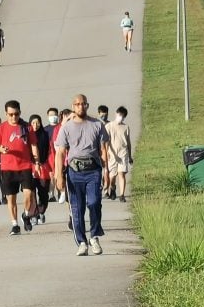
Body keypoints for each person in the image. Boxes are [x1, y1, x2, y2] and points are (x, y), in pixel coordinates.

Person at [54, 94, 110, 256]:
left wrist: (106, 173)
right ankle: (82, 242)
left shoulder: (97, 125)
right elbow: (60, 152)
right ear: (73, 107)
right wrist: (59, 176)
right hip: (74, 172)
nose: (80, 107)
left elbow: (104, 151)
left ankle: (94, 236)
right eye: (77, 104)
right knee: (77, 209)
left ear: (87, 105)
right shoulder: (67, 127)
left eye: (83, 104)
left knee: (94, 203)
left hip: (93, 170)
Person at [0, 100, 42, 235]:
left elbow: (33, 146)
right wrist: (0, 149)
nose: (14, 117)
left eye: (16, 114)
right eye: (10, 114)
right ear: (6, 114)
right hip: (8, 168)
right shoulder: (1, 128)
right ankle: (15, 225)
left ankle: (26, 215)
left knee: (29, 195)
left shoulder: (27, 127)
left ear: (20, 112)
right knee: (11, 198)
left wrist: (37, 163)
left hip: (25, 166)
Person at [28, 114, 53, 224]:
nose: (35, 125)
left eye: (37, 122)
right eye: (33, 122)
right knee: (31, 192)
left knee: (43, 192)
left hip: (43, 167)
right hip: (30, 167)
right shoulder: (27, 136)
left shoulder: (45, 135)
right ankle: (33, 214)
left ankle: (41, 211)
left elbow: (49, 151)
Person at [105, 106, 133, 202]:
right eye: (119, 114)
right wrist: (106, 152)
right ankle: (112, 188)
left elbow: (128, 143)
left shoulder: (126, 127)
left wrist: (130, 156)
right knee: (112, 176)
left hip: (123, 153)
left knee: (122, 174)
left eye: (123, 116)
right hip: (112, 154)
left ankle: (122, 195)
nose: (120, 117)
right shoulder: (109, 126)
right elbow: (106, 142)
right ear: (116, 114)